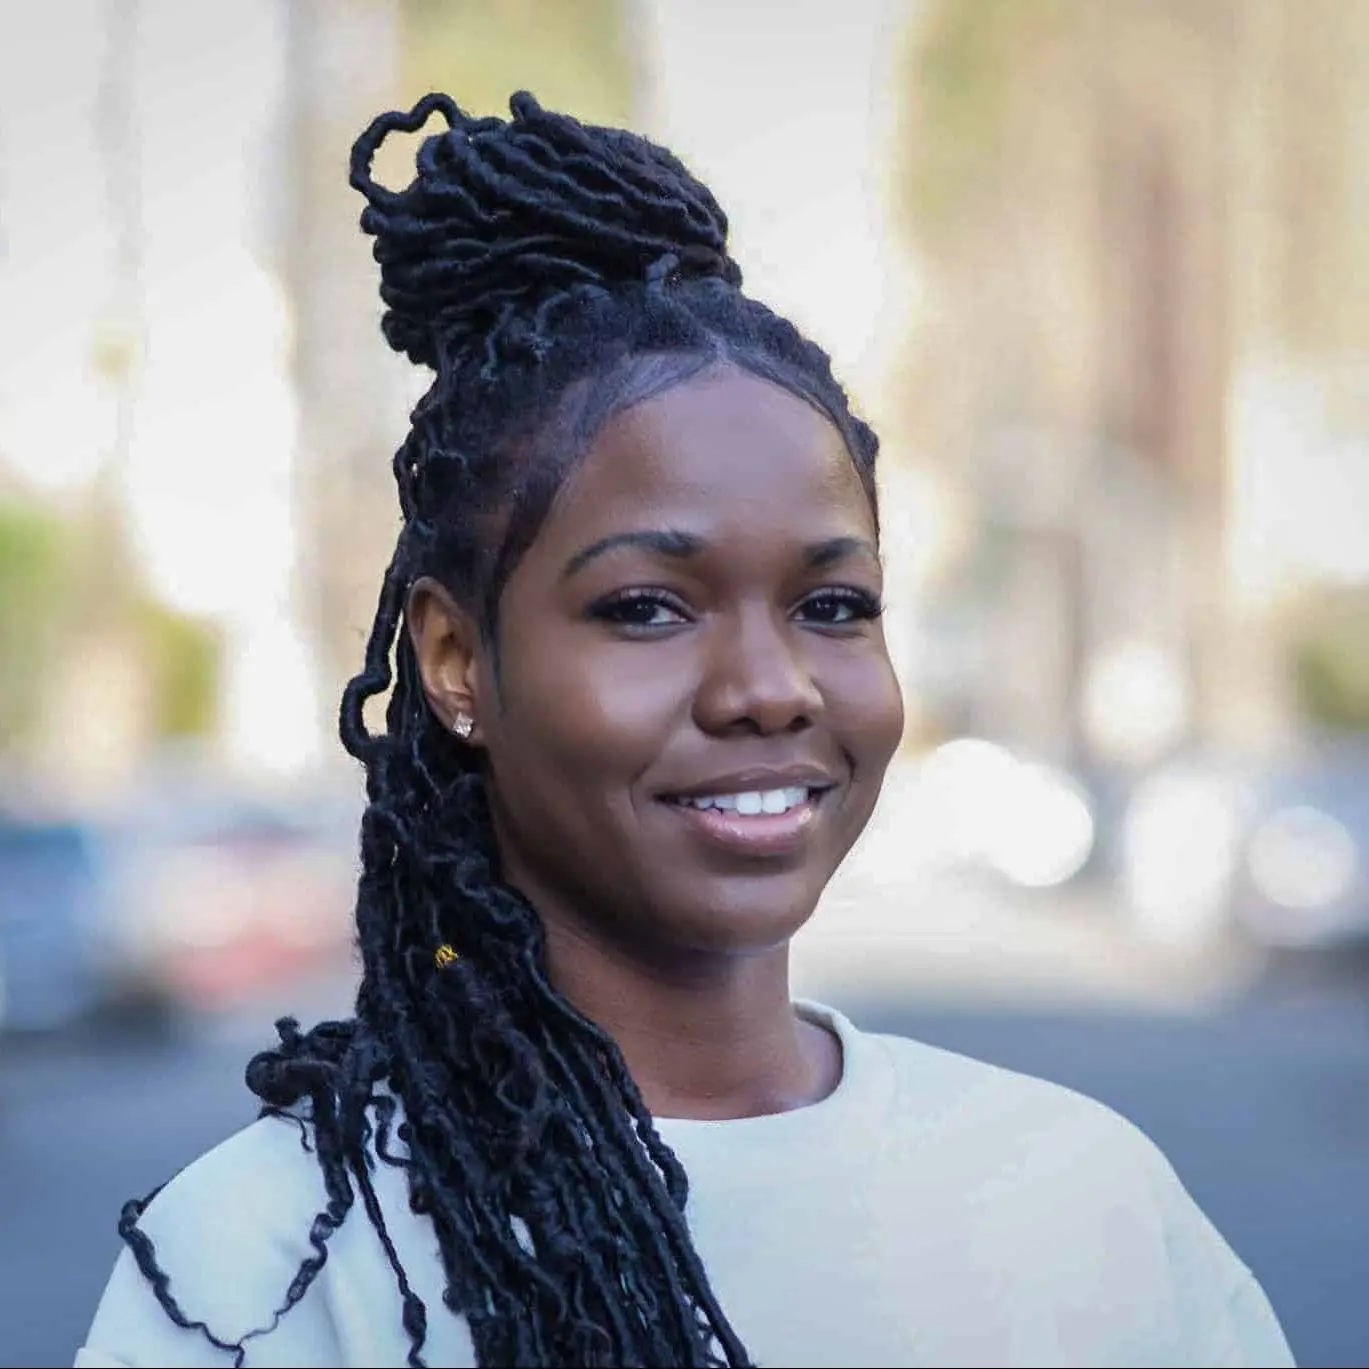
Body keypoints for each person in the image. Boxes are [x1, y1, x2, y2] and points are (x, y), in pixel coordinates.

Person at [75, 91, 1294, 1369]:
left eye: (833, 604)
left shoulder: (1085, 1203)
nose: (770, 687)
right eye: (646, 607)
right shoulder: (273, 1262)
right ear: (454, 660)